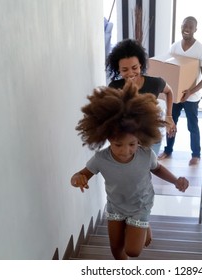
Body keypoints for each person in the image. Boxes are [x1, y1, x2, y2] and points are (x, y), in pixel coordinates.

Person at [70, 82, 189, 260]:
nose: (126, 151)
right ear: (109, 138)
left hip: (140, 205)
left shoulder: (145, 154)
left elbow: (157, 169)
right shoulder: (101, 159)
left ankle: (144, 224)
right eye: (118, 145)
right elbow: (80, 175)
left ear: (140, 138)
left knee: (133, 251)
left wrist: (175, 181)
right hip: (115, 206)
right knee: (117, 250)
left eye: (132, 144)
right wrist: (77, 179)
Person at [106, 38, 176, 155]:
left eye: (134, 68)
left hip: (151, 140)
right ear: (118, 69)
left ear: (141, 65)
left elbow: (169, 92)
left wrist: (169, 116)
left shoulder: (155, 83)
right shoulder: (114, 87)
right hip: (126, 141)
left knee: (148, 170)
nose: (130, 73)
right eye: (124, 69)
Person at [158, 16, 202, 166]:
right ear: (181, 27)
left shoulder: (201, 50)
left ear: (195, 29)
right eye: (184, 26)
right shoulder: (174, 47)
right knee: (171, 122)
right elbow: (169, 71)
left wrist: (190, 92)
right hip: (175, 95)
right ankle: (168, 150)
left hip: (192, 97)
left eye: (190, 27)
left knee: (192, 126)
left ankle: (196, 154)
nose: (186, 29)